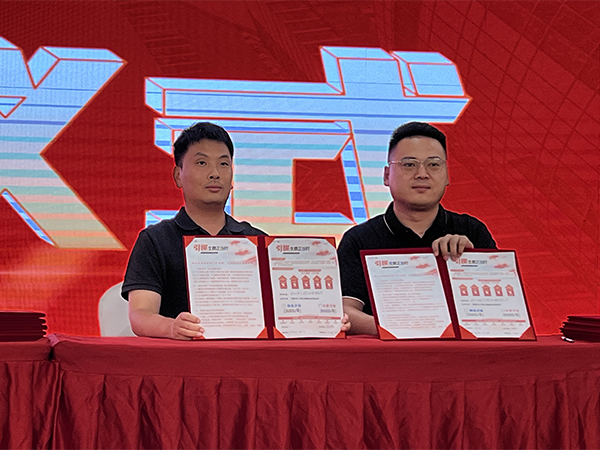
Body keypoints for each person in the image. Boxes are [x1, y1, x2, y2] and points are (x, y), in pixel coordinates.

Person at [122, 122, 350, 340]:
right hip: (184, 358)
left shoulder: (258, 242)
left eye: (223, 164)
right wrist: (172, 327)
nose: (215, 173)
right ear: (178, 175)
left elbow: (283, 312)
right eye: (202, 163)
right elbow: (141, 315)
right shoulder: (155, 240)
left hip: (250, 359)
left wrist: (321, 320)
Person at [337, 122, 496, 335]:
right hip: (388, 354)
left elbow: (500, 310)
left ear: (447, 176)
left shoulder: (472, 232)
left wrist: (473, 262)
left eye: (433, 164)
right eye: (409, 164)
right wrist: (408, 328)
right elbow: (345, 313)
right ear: (386, 175)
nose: (422, 174)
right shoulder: (359, 239)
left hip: (460, 354)